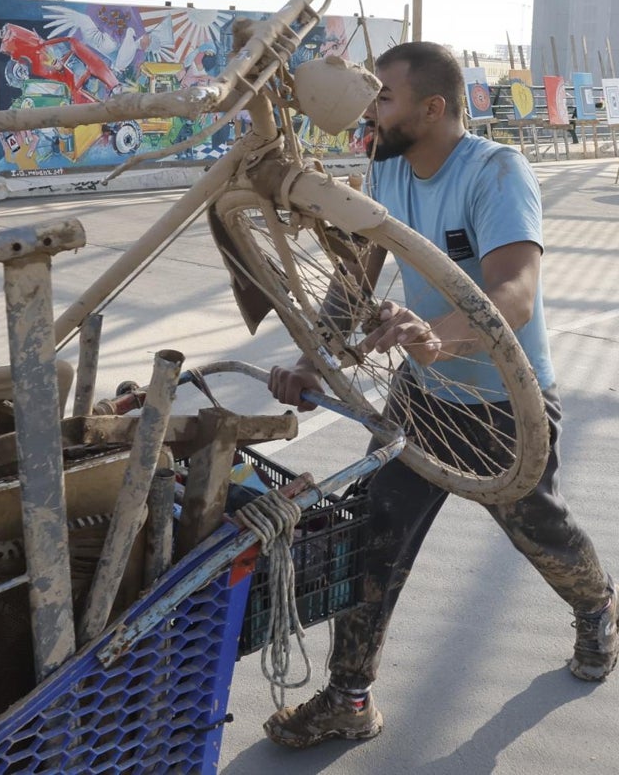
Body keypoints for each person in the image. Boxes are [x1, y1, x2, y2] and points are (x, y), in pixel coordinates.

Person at [262, 41, 616, 749]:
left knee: (539, 532)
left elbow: (513, 294)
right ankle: (349, 697)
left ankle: (596, 607)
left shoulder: (496, 171)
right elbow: (353, 285)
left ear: (434, 108)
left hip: (503, 405)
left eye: (383, 97)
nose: (369, 109)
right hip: (421, 399)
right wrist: (307, 360)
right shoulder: (385, 170)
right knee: (371, 538)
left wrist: (437, 335)